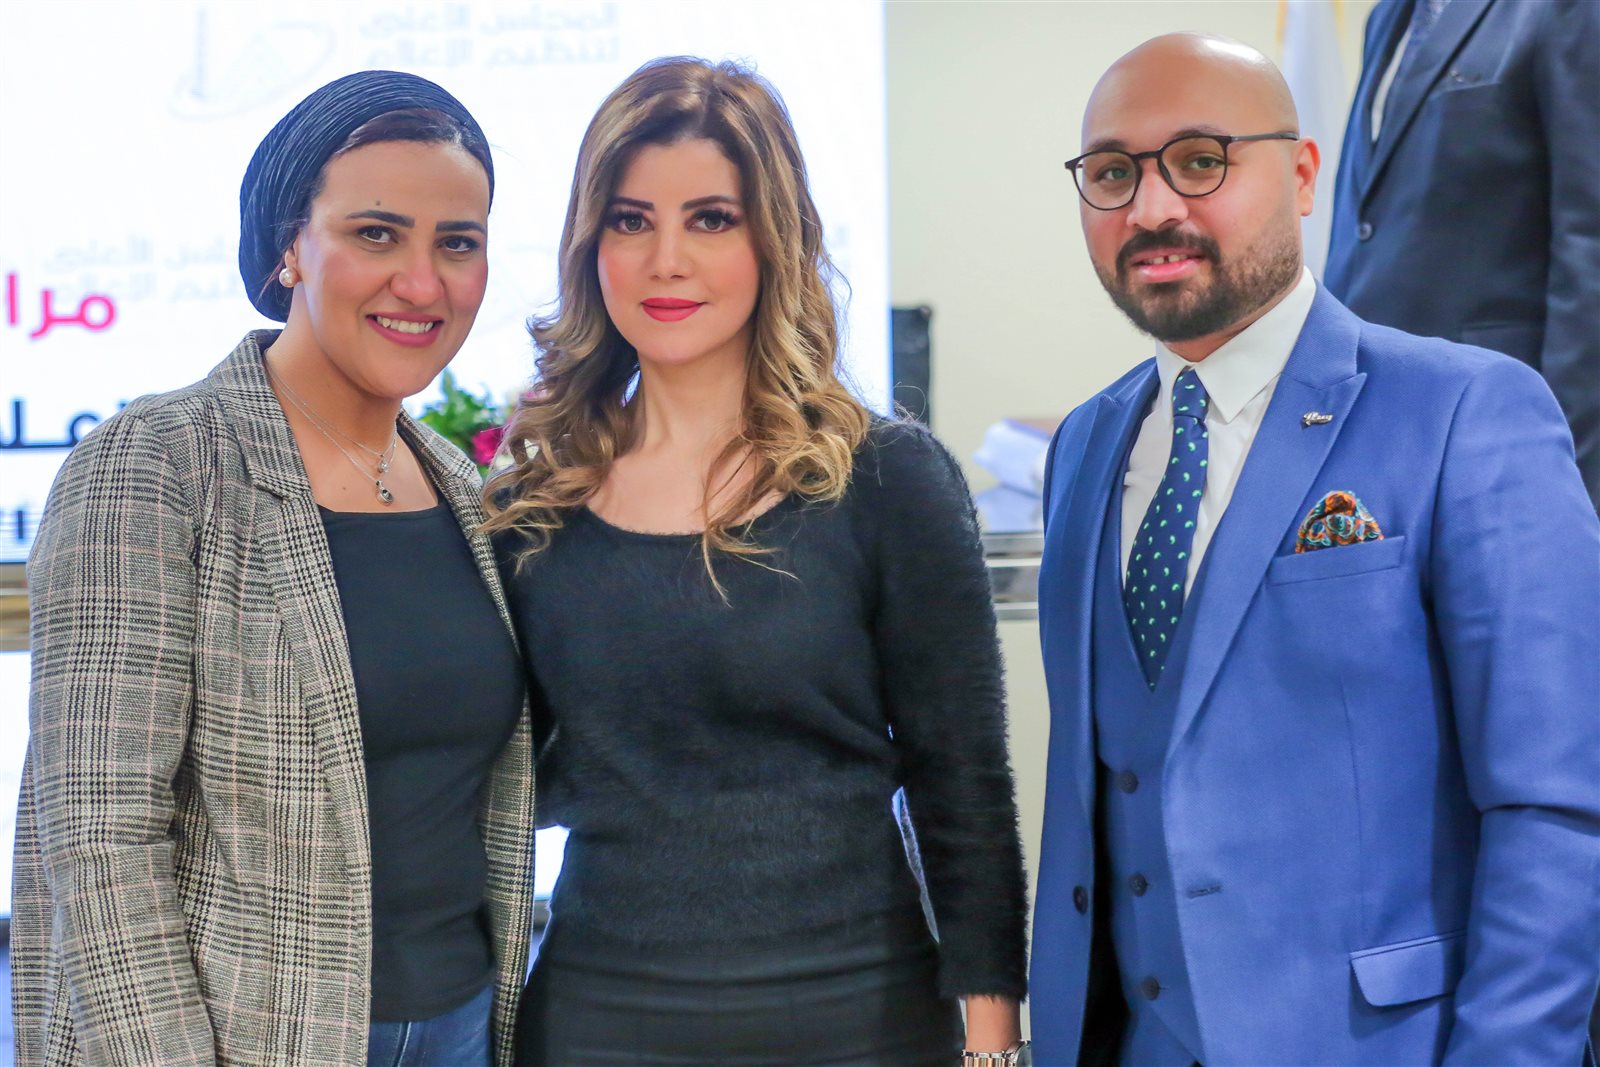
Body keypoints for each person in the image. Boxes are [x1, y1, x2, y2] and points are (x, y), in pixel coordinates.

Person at [1032, 33, 1600, 1066]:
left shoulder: (1465, 411)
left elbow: (1558, 804)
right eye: (1112, 173)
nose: (1151, 207)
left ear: (1300, 177)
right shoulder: (1083, 445)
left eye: (1200, 160)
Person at [482, 57, 1029, 1067]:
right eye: (631, 220)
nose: (666, 261)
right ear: (591, 244)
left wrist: (993, 1047)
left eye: (711, 219)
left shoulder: (885, 478)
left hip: (861, 1020)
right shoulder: (532, 507)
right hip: (600, 1020)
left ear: (774, 240)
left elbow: (964, 786)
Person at [11, 71, 535, 1067]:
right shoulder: (157, 462)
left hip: (462, 1024)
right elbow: (98, 837)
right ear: (289, 247)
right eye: (376, 233)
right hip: (249, 1038)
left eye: (457, 242)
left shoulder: (461, 488)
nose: (422, 282)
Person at [1324, 0, 1600, 511]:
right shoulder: (1387, 16)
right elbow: (1367, 224)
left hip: (1499, 428)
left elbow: (1588, 247)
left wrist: (1567, 468)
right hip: (1373, 420)